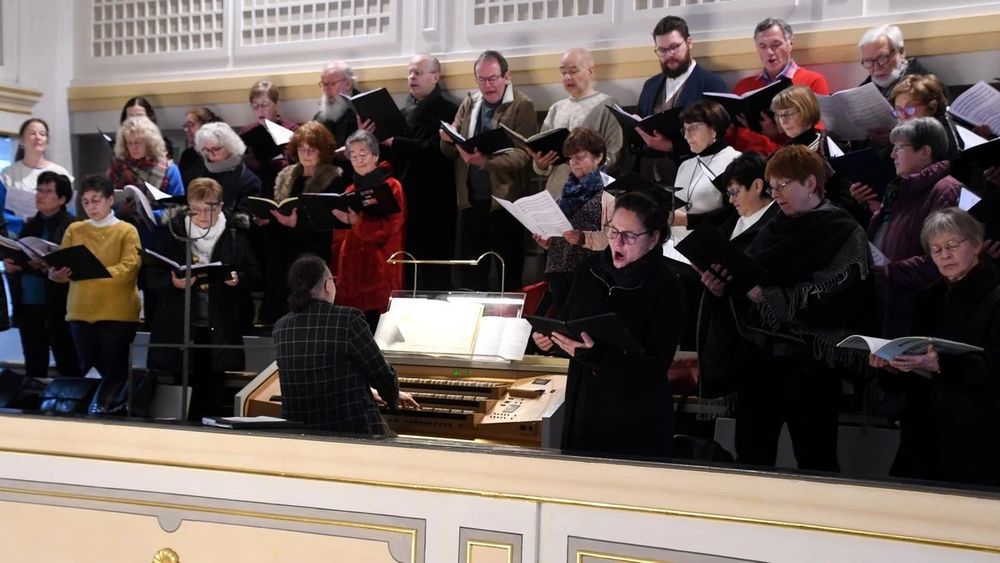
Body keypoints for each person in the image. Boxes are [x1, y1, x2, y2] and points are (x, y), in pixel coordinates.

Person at [704, 145, 875, 471]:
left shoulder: (842, 229)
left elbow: (836, 292)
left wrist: (766, 297)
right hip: (760, 358)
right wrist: (720, 287)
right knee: (752, 455)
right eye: (772, 186)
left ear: (811, 183)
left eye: (783, 185)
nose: (775, 194)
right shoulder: (773, 227)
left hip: (810, 363)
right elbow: (747, 271)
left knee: (816, 458)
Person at [531, 190, 683, 459]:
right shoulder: (590, 268)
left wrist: (597, 357)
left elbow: (656, 365)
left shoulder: (666, 284)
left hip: (634, 415)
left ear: (654, 238)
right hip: (586, 407)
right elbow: (568, 321)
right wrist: (550, 340)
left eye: (630, 236)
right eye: (613, 231)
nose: (618, 242)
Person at [871, 208, 1000, 487]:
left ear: (977, 245)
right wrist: (893, 365)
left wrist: (940, 364)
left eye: (953, 245)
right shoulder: (928, 299)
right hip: (926, 433)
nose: (944, 255)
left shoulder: (996, 297)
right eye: (936, 249)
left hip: (980, 435)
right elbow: (914, 367)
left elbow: (994, 366)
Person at [146, 178, 260, 419]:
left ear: (219, 206)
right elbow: (151, 275)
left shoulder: (233, 233)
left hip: (220, 323)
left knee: (214, 385)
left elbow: (254, 274)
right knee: (183, 382)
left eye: (207, 209)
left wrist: (237, 278)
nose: (199, 215)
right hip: (181, 322)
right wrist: (172, 282)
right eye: (194, 209)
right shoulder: (173, 232)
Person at [272, 254, 418, 434]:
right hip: (349, 430)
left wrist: (367, 391)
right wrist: (392, 397)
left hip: (300, 432)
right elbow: (380, 373)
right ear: (327, 285)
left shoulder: (281, 326)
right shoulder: (348, 318)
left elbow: (316, 375)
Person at [440, 50, 537, 291]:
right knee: (471, 277)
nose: (488, 85)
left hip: (505, 203)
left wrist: (485, 162)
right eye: (481, 79)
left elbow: (525, 155)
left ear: (507, 76)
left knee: (508, 275)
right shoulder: (470, 102)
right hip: (471, 202)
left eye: (493, 78)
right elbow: (449, 152)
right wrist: (447, 138)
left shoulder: (521, 105)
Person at [50, 175, 142, 414]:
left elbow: (129, 267)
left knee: (114, 371)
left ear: (110, 200)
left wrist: (94, 271)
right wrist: (56, 272)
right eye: (86, 202)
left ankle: (112, 414)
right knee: (87, 371)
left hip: (117, 314)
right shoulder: (74, 229)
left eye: (96, 200)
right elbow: (63, 270)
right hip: (80, 311)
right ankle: (87, 414)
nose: (91, 206)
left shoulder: (126, 230)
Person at [694, 152, 778, 404]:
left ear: (757, 186)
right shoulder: (732, 221)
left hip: (758, 339)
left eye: (734, 192)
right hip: (726, 328)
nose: (730, 201)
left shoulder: (775, 224)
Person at [866, 118, 962, 338]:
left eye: (899, 148)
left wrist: (890, 272)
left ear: (925, 152)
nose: (892, 155)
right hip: (889, 300)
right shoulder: (900, 188)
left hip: (917, 311)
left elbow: (941, 260)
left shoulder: (946, 191)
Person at [380, 54, 458, 291]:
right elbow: (392, 157)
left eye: (418, 72)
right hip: (404, 201)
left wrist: (396, 142)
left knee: (435, 271)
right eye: (410, 72)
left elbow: (437, 151)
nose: (412, 77)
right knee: (406, 267)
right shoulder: (401, 114)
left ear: (435, 77)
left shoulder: (448, 110)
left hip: (435, 202)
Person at [258, 121, 347, 324]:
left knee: (307, 305)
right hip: (282, 250)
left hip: (313, 250)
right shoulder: (285, 175)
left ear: (322, 151)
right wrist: (267, 219)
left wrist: (296, 225)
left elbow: (328, 223)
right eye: (301, 149)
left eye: (311, 149)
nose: (306, 154)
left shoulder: (333, 178)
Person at [3, 171, 80, 378]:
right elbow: (19, 255)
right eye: (39, 190)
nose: (40, 195)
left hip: (57, 304)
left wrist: (44, 267)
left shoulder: (72, 226)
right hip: (28, 303)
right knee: (34, 362)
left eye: (48, 191)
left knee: (67, 360)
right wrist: (11, 265)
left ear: (62, 198)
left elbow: (74, 265)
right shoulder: (30, 225)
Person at [634, 15, 726, 183]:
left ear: (689, 42)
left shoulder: (711, 84)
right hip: (649, 180)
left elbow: (719, 140)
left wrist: (671, 147)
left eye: (674, 47)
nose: (669, 55)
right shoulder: (650, 85)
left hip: (694, 180)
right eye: (662, 50)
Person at [532, 128, 614, 316]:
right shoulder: (567, 189)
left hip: (591, 272)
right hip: (559, 269)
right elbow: (559, 229)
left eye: (580, 157)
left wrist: (583, 238)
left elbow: (615, 237)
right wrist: (548, 240)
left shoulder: (610, 191)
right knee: (561, 325)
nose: (573, 163)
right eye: (571, 158)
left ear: (599, 157)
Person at [850, 74, 964, 209]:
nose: (903, 117)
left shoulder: (940, 138)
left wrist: (886, 209)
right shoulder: (909, 133)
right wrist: (865, 193)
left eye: (910, 109)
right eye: (898, 111)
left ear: (932, 107)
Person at [332, 130, 407, 332]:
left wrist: (357, 222)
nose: (358, 159)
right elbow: (339, 239)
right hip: (351, 276)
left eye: (363, 154)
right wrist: (336, 274)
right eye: (353, 155)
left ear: (375, 155)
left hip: (380, 270)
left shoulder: (392, 186)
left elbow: (389, 228)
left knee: (381, 336)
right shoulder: (348, 191)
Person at [727, 18, 831, 155]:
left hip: (788, 162)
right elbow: (729, 136)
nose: (769, 52)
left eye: (776, 44)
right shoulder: (743, 86)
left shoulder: (812, 81)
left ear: (790, 44)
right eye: (762, 46)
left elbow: (817, 138)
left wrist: (777, 133)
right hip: (743, 163)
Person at [530, 48, 622, 199]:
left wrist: (583, 162)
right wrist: (541, 163)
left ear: (590, 71)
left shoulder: (607, 105)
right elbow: (541, 156)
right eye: (563, 72)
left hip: (589, 194)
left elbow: (614, 153)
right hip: (555, 192)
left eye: (573, 71)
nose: (567, 77)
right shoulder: (556, 109)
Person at [1, 118, 74, 235]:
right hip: (16, 234)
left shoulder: (61, 173)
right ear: (22, 140)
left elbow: (69, 210)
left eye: (42, 134)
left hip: (54, 232)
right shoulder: (8, 174)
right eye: (32, 133)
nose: (38, 137)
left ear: (47, 140)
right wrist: (22, 221)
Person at [240, 79, 299, 198]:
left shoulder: (292, 131)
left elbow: (294, 168)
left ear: (276, 104)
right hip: (256, 191)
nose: (259, 110)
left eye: (265, 105)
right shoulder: (246, 132)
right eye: (255, 105)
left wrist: (261, 164)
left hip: (284, 191)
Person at [190, 122, 262, 214]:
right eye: (207, 150)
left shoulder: (249, 180)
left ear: (230, 147)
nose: (211, 154)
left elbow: (244, 218)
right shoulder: (198, 172)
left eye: (216, 149)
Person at [107, 116, 185, 200]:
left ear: (149, 143)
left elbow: (178, 206)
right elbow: (107, 203)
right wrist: (120, 211)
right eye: (129, 143)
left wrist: (153, 212)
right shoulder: (117, 167)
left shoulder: (170, 170)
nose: (134, 147)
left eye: (138, 142)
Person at [857, 24, 932, 99]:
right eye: (869, 61)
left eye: (882, 58)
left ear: (901, 52)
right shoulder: (860, 93)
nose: (877, 67)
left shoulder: (927, 87)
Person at [313, 61, 361, 149]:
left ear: (348, 84)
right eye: (324, 84)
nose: (326, 89)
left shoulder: (364, 109)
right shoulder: (321, 115)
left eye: (332, 84)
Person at [178, 107, 223, 186]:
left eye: (191, 125)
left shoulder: (218, 154)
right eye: (185, 126)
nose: (186, 130)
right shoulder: (187, 155)